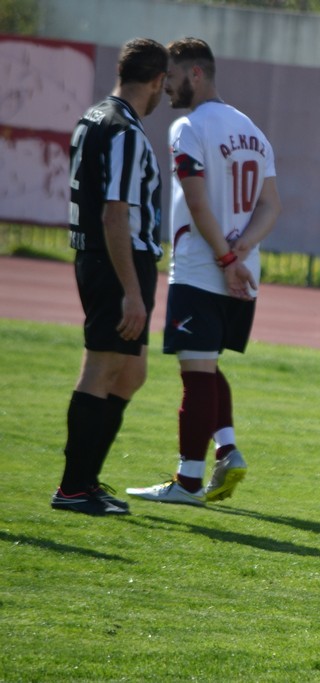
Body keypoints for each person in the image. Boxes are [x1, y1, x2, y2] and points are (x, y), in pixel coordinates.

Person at [127, 37, 281, 506]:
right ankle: (227, 450)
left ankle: (188, 482)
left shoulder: (188, 127)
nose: (167, 86)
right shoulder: (253, 131)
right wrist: (242, 249)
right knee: (206, 365)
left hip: (202, 268)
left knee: (195, 374)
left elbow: (196, 202)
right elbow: (271, 206)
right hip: (241, 272)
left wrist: (226, 259)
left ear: (196, 73)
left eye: (172, 77)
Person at [52, 38, 169, 516]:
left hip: (102, 259)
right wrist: (132, 292)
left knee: (132, 372)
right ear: (157, 81)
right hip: (117, 262)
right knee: (100, 369)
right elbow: (114, 213)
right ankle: (73, 487)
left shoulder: (94, 115)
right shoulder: (124, 129)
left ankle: (87, 481)